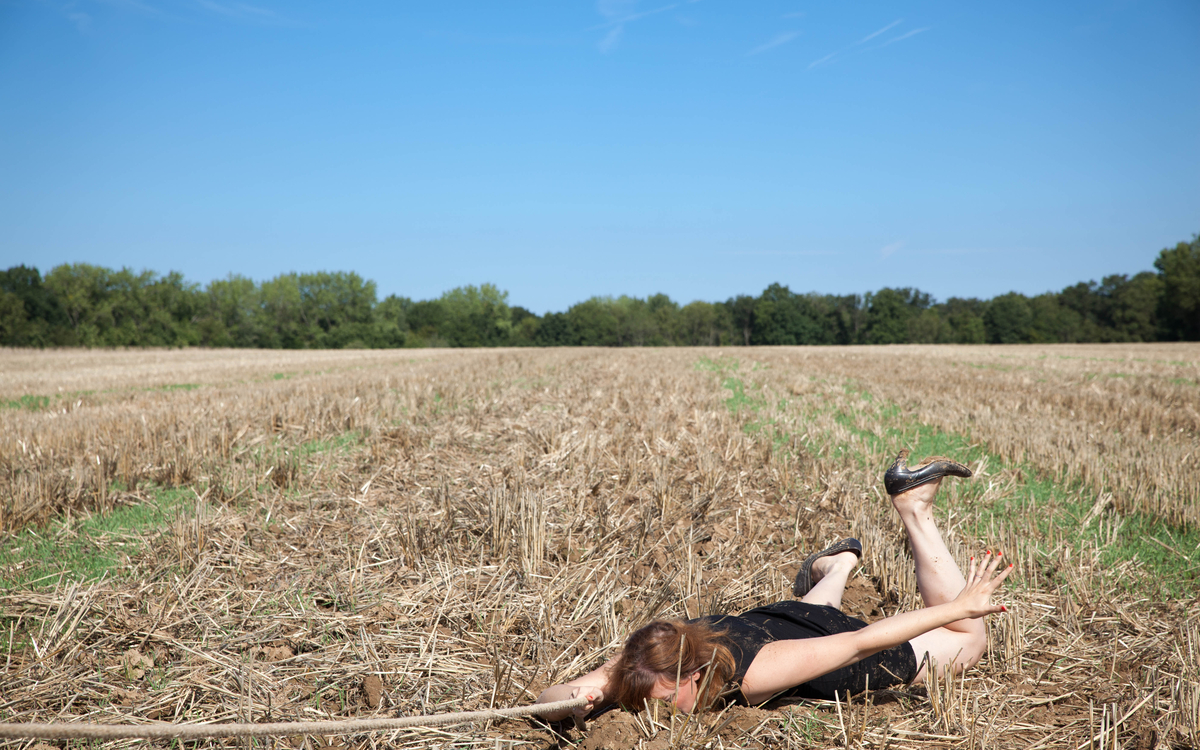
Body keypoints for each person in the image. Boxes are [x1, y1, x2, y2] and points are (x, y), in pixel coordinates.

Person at [533, 451, 1012, 719]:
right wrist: (580, 700)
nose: (652, 713)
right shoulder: (645, 660)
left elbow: (861, 641)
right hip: (785, 621)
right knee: (809, 613)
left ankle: (915, 510)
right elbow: (550, 697)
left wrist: (961, 607)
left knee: (970, 639)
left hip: (829, 649)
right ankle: (839, 566)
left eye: (662, 702)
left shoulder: (758, 672)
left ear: (695, 675)